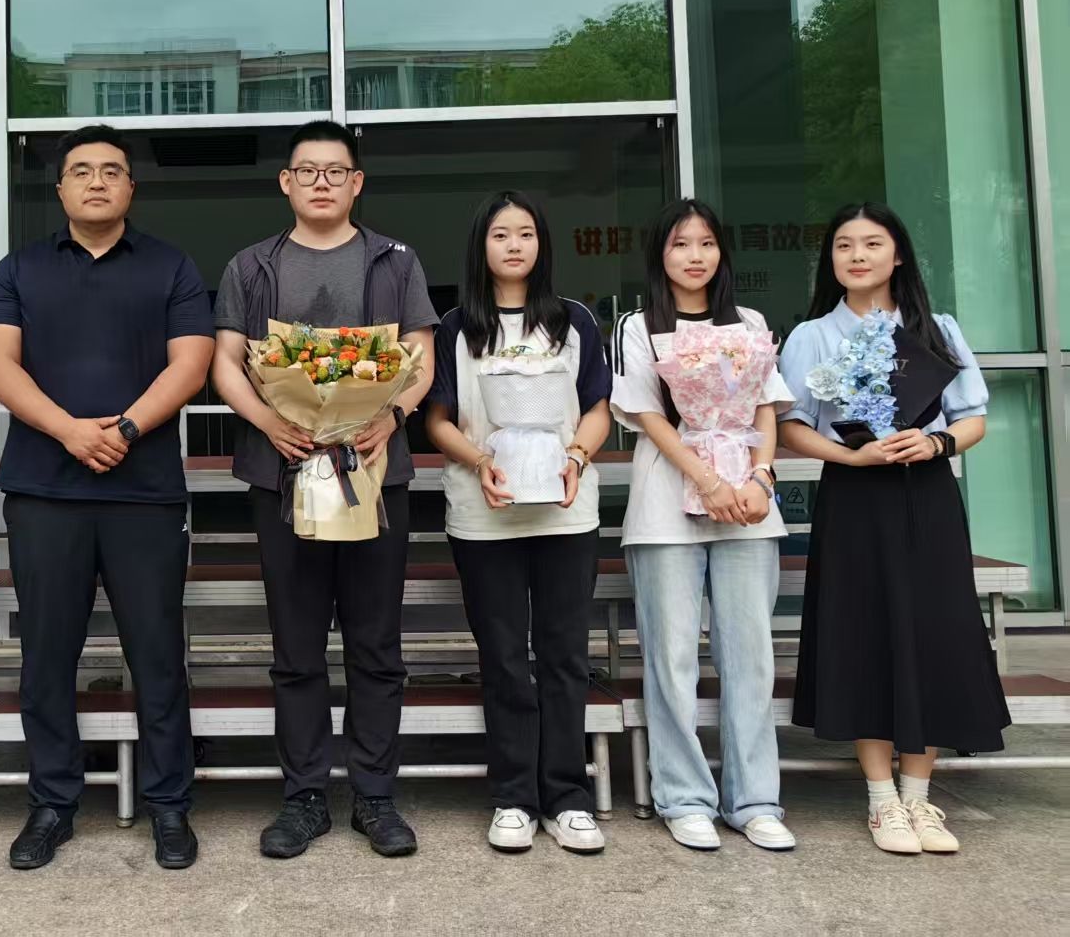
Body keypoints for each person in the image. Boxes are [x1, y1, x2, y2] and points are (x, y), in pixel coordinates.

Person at [0, 125, 214, 871]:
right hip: (45, 491)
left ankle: (169, 804)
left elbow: (192, 364)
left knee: (158, 653)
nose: (98, 182)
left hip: (145, 494)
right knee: (47, 655)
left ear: (131, 187)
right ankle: (52, 802)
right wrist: (70, 431)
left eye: (112, 171)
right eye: (82, 171)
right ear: (61, 189)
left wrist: (128, 428)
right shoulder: (19, 269)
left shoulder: (171, 266)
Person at [210, 120, 437, 859]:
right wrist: (268, 420)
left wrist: (391, 416)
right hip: (282, 471)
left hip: (375, 471)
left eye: (335, 171)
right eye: (306, 170)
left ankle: (374, 795)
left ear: (356, 182)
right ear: (286, 182)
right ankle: (304, 795)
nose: (320, 182)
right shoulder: (251, 266)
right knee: (297, 645)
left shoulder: (395, 261)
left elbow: (421, 357)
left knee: (376, 643)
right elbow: (226, 362)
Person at [779, 202, 1009, 856]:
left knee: (931, 634)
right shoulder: (811, 336)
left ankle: (920, 796)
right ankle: (882, 800)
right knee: (864, 634)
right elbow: (790, 425)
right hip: (855, 498)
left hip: (926, 495)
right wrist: (850, 456)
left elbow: (972, 417)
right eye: (844, 245)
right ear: (830, 259)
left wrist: (936, 443)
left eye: (872, 243)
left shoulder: (936, 328)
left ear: (898, 253)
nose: (857, 255)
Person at [423, 190, 612, 855]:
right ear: (481, 245)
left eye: (525, 233)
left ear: (541, 243)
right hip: (484, 514)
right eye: (500, 234)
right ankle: (512, 796)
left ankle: (566, 795)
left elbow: (598, 407)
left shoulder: (573, 319)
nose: (513, 245)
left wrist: (576, 457)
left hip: (566, 511)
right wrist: (480, 461)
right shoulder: (455, 327)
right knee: (503, 656)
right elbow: (437, 418)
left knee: (564, 655)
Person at [610, 199, 797, 853]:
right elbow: (648, 416)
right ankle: (684, 797)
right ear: (659, 254)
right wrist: (707, 480)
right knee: (671, 657)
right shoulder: (638, 326)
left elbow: (766, 406)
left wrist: (761, 478)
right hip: (667, 506)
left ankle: (755, 800)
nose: (696, 255)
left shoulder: (750, 322)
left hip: (749, 506)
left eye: (707, 242)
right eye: (681, 243)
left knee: (750, 655)